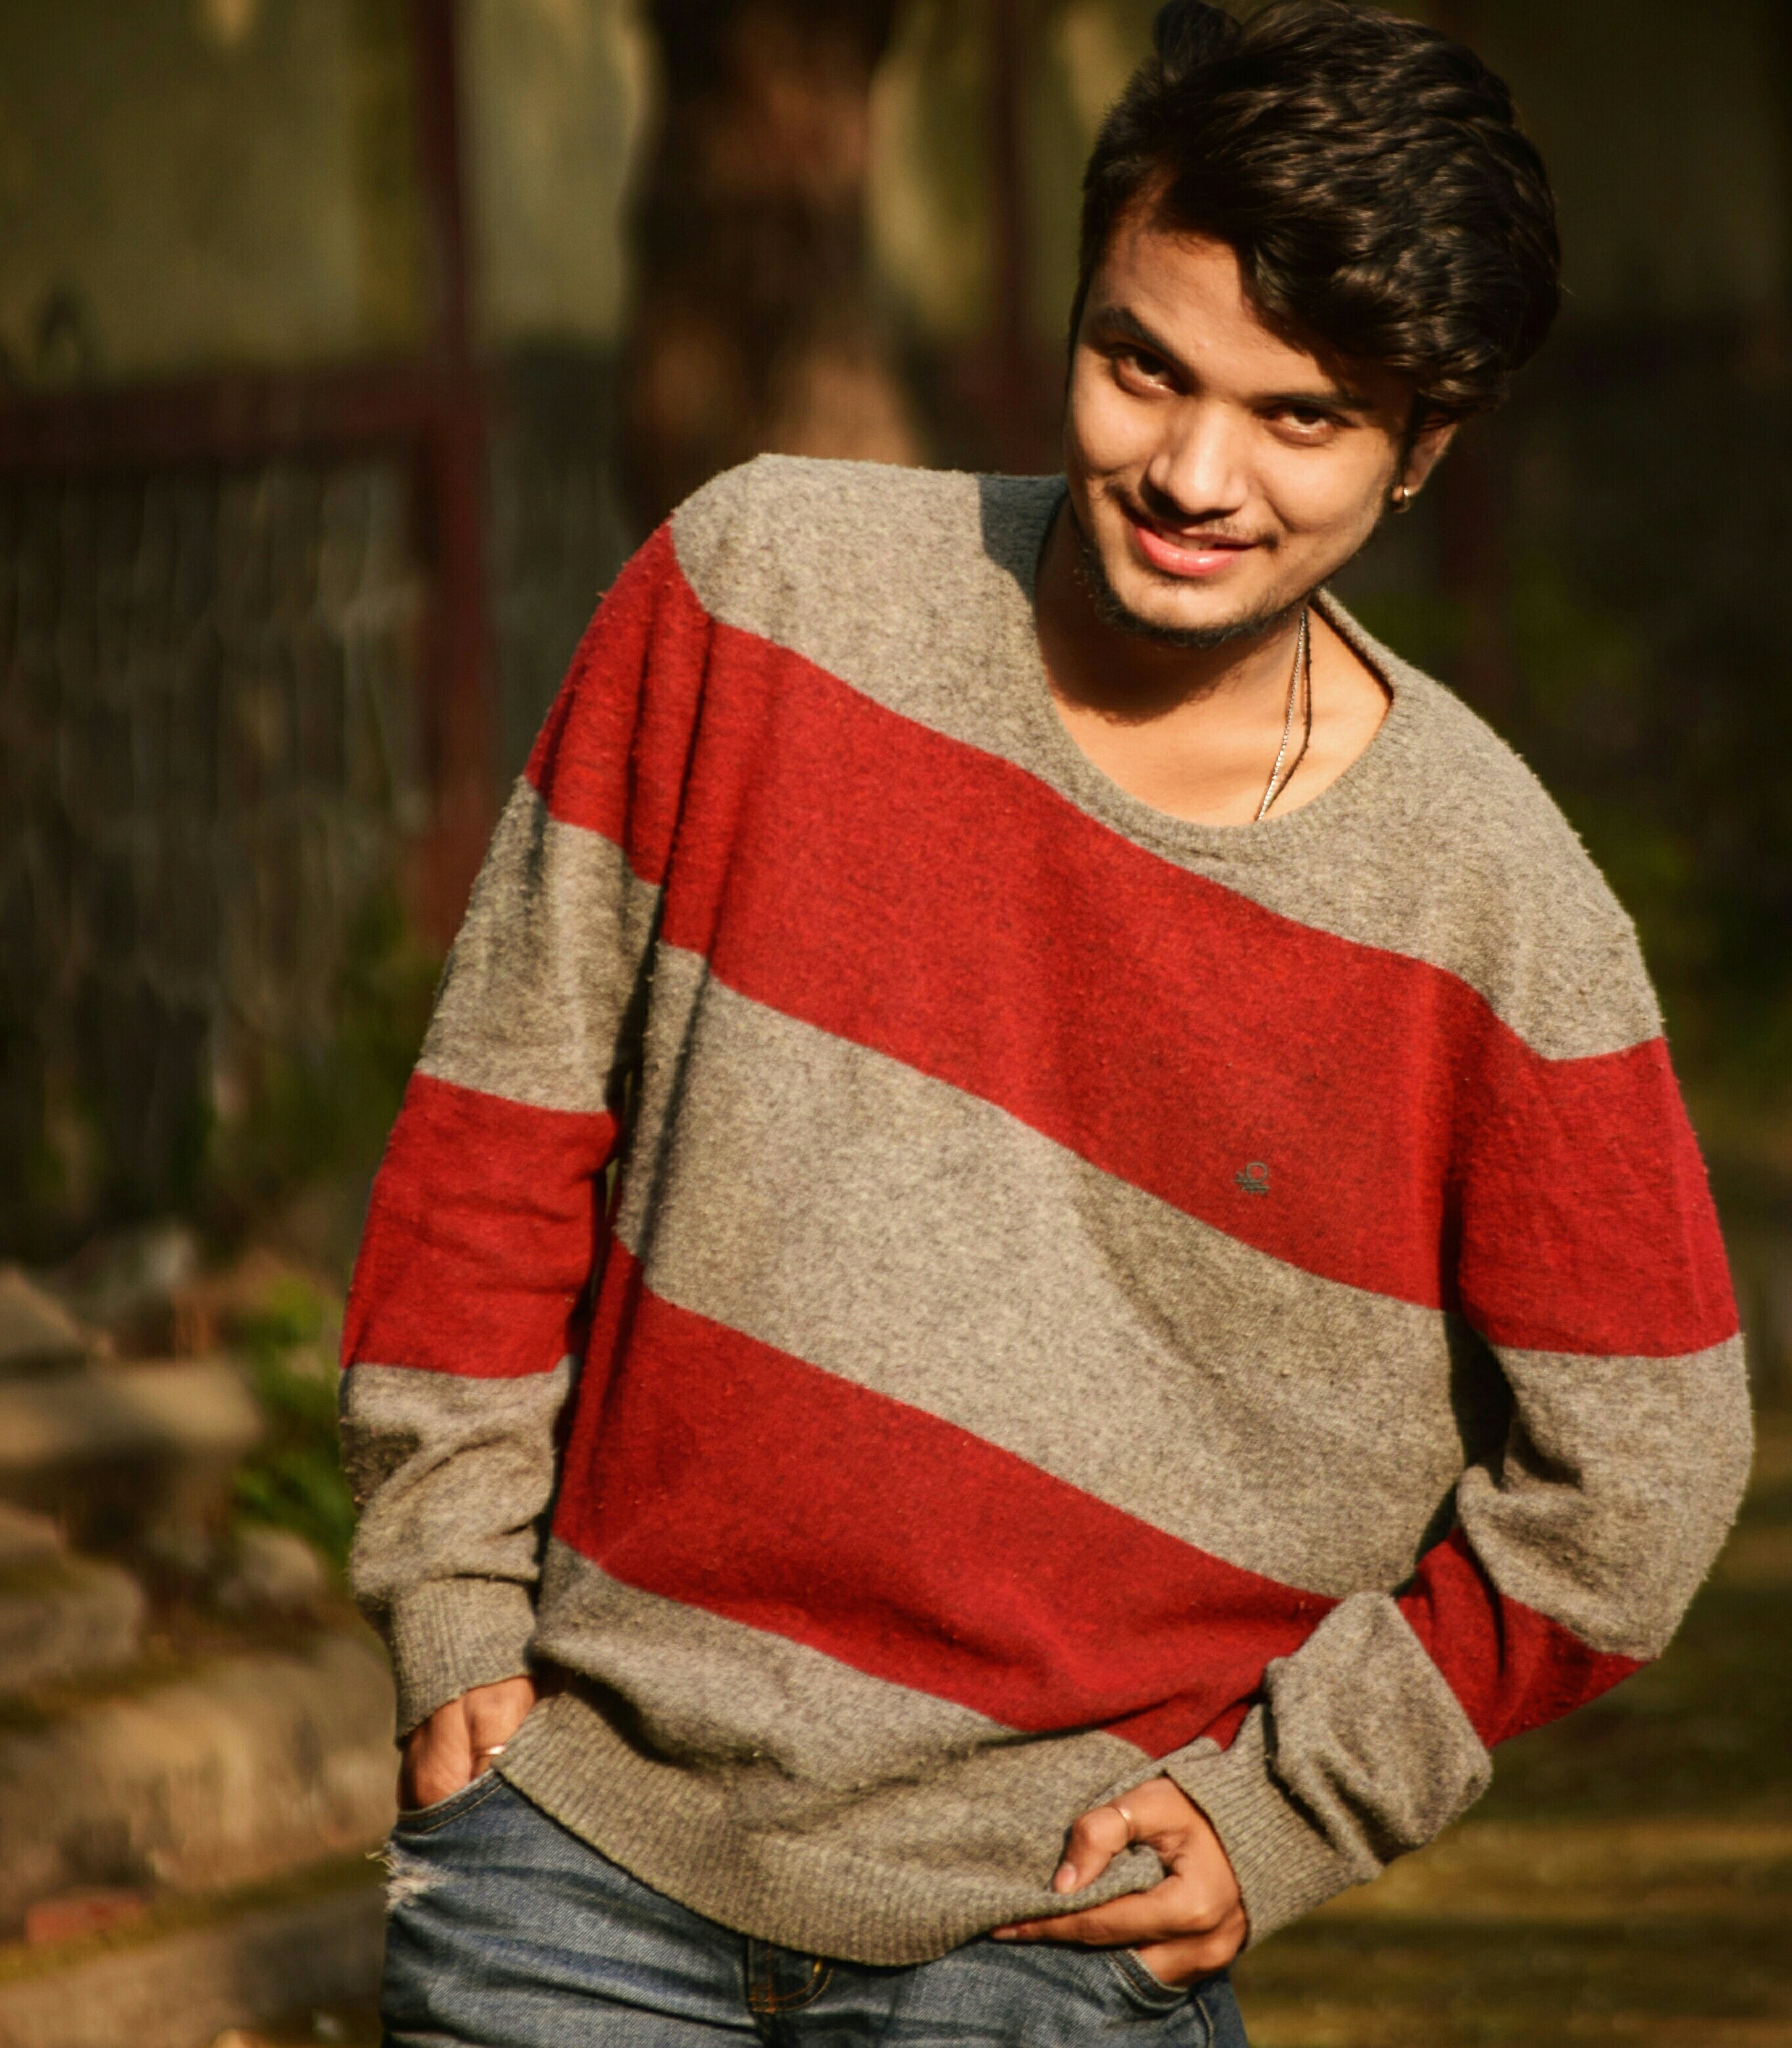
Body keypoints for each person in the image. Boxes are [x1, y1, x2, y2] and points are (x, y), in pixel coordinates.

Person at [342, 3, 1751, 2042]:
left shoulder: (1496, 908)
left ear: (1425, 443)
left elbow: (1641, 1461)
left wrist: (1296, 1801)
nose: (1191, 472)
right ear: (1075, 301)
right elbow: (500, 1123)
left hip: (1059, 1929)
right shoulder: (755, 595)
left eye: (1300, 417)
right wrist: (451, 1598)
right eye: (1140, 363)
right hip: (576, 1851)